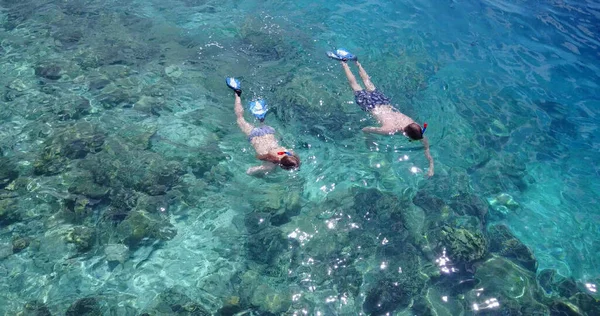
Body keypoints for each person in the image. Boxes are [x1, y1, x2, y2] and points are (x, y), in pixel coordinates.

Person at [326, 48, 434, 177]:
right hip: (371, 106)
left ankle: (356, 62)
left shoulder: (411, 122)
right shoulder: (389, 130)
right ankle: (343, 62)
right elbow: (365, 129)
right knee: (354, 85)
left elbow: (425, 144)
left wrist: (431, 167)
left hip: (382, 102)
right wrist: (369, 139)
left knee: (368, 82)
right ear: (406, 134)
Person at [226, 77, 300, 175]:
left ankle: (261, 117)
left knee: (257, 123)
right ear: (282, 166)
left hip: (269, 131)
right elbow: (249, 171)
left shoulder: (288, 152)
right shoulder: (271, 165)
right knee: (240, 118)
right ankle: (237, 94)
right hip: (255, 136)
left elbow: (293, 157)